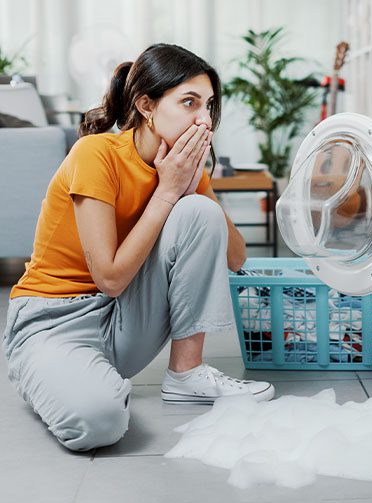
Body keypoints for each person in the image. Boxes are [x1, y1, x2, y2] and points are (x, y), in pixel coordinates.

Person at [2, 43, 275, 452]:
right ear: (147, 105)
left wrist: (194, 185)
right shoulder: (96, 154)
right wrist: (167, 191)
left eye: (209, 105)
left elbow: (236, 258)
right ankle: (52, 373)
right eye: (189, 102)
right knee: (98, 423)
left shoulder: (182, 169)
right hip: (52, 322)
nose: (204, 120)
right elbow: (109, 278)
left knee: (200, 211)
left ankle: (186, 373)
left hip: (123, 320)